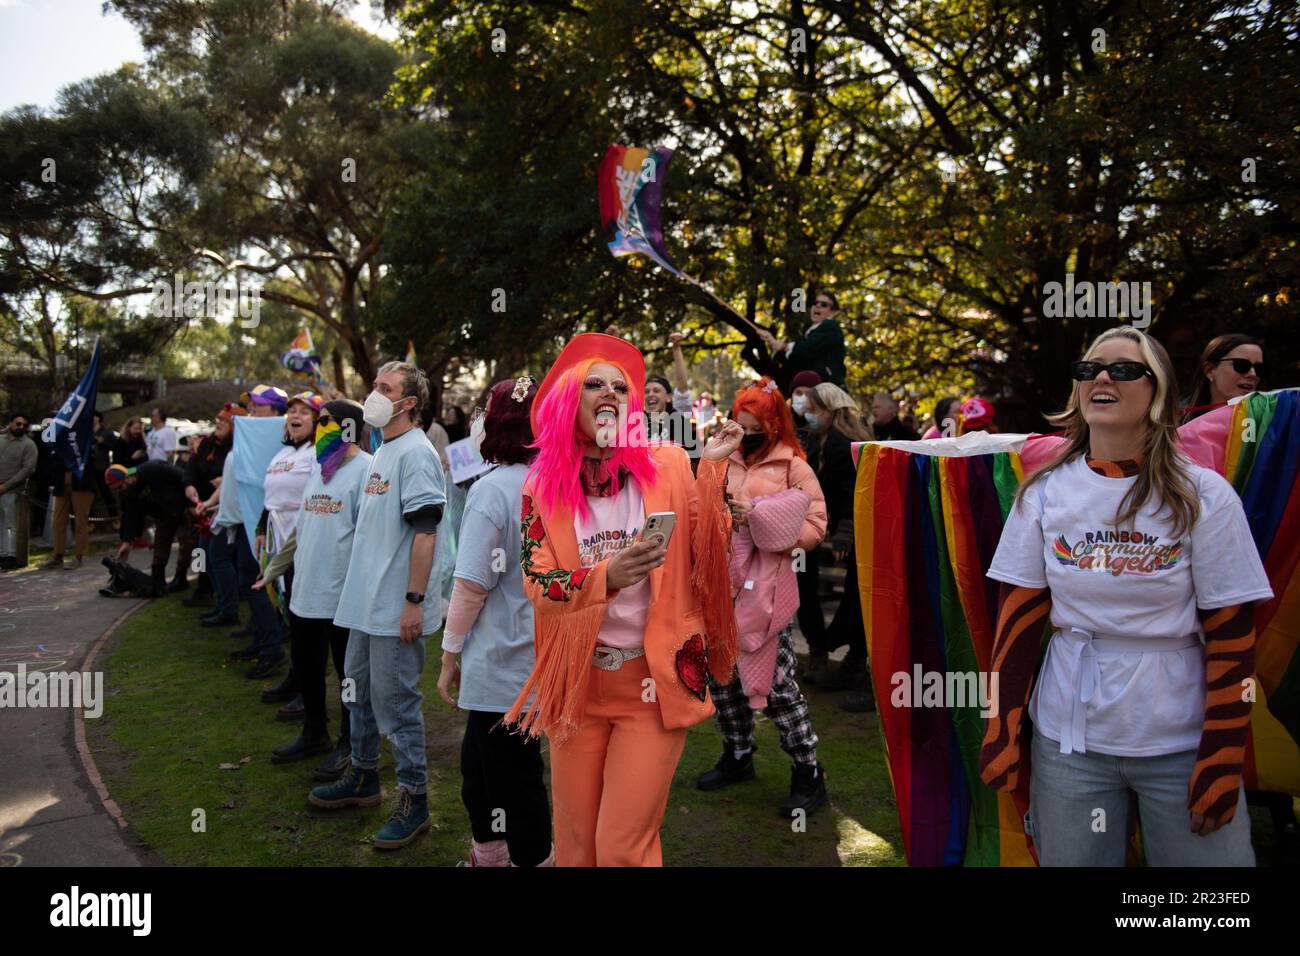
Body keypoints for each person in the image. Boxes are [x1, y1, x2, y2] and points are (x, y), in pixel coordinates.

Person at [978, 327, 1272, 866]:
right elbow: (1018, 618)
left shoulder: (1204, 495)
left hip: (1179, 743)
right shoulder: (1043, 492)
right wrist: (1002, 726)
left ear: (1157, 392)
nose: (1103, 378)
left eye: (1125, 369)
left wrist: (1222, 753)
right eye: (1090, 370)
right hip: (1069, 743)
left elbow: (1232, 630)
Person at [502, 332, 743, 867]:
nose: (609, 392)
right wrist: (603, 577)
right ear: (570, 400)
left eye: (620, 386)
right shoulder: (539, 487)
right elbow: (537, 582)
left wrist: (714, 473)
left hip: (651, 687)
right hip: (578, 686)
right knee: (575, 845)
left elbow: (707, 551)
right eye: (594, 384)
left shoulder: (670, 464)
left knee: (620, 850)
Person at [308, 361, 447, 851]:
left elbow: (426, 533)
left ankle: (415, 799)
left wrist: (413, 602)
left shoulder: (416, 454)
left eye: (385, 389)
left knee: (397, 705)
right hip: (363, 607)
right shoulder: (382, 450)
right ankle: (363, 776)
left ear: (408, 403)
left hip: (394, 610)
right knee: (356, 692)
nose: (374, 394)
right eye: (374, 386)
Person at [696, 377, 830, 816]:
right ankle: (737, 754)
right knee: (722, 678)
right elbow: (697, 506)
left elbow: (815, 522)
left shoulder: (793, 465)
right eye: (741, 424)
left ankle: (808, 772)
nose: (747, 433)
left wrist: (769, 528)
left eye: (755, 427)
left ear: (773, 425)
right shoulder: (723, 459)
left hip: (767, 589)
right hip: (721, 583)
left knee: (776, 683)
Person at [436, 376, 555, 867]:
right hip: (533, 652)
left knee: (513, 780)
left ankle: (533, 860)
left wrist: (448, 654)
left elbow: (471, 584)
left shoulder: (493, 490)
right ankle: (490, 855)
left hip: (502, 659)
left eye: (487, 408)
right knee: (481, 771)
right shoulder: (554, 483)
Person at [256, 399, 370, 775]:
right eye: (319, 422)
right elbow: (299, 531)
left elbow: (371, 540)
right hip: (305, 593)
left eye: (326, 421)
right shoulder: (320, 470)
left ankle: (351, 741)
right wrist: (274, 569)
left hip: (342, 597)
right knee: (306, 665)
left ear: (349, 427)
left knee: (347, 675)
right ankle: (314, 732)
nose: (320, 428)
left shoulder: (367, 472)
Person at [804, 383, 875, 711]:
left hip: (859, 529)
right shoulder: (841, 437)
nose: (810, 414)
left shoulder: (837, 442)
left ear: (829, 408)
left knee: (858, 600)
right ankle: (853, 661)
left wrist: (844, 533)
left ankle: (858, 666)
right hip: (859, 527)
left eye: (815, 409)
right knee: (855, 598)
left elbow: (851, 491)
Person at [244, 392, 320, 682]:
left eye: (304, 412)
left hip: (304, 543)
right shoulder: (283, 454)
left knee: (305, 618)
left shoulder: (316, 454)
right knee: (289, 609)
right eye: (292, 412)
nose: (295, 417)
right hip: (279, 542)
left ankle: (304, 681)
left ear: (317, 421)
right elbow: (270, 496)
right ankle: (295, 673)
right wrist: (262, 528)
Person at [225, 385, 290, 675]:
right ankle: (263, 639)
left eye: (258, 406)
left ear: (277, 411)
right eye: (250, 406)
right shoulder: (254, 433)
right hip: (249, 521)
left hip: (268, 525)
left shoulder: (282, 437)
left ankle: (272, 648)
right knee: (247, 581)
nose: (252, 412)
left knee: (258, 584)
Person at [105, 459, 196, 595]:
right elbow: (130, 515)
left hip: (186, 508)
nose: (119, 491)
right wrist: (127, 541)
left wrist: (192, 503)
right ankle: (157, 580)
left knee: (192, 545)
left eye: (119, 487)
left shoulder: (153, 469)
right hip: (165, 515)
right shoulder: (129, 493)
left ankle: (193, 579)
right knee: (160, 545)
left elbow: (184, 477)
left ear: (128, 477)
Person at [195, 403, 248, 628]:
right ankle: (223, 605)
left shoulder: (245, 451)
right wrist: (209, 503)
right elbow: (226, 483)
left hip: (235, 518)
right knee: (207, 558)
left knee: (219, 560)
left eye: (225, 420)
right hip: (223, 514)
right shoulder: (218, 446)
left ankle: (228, 609)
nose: (219, 423)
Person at [758, 289, 847, 390]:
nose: (817, 305)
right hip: (815, 390)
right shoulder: (811, 333)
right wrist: (772, 340)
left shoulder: (830, 326)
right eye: (815, 303)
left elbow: (807, 349)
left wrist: (784, 346)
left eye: (824, 304)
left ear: (833, 312)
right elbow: (797, 360)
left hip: (828, 389)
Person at [1183, 334, 1264, 421]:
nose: (1253, 374)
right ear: (1209, 370)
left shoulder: (1270, 425)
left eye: (1259, 368)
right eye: (1241, 365)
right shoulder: (1177, 423)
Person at [644, 332, 698, 454]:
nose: (650, 394)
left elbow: (682, 384)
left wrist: (676, 348)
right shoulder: (638, 422)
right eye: (646, 392)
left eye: (656, 390)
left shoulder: (678, 417)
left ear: (669, 398)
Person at [41, 450, 95, 570]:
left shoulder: (84, 438)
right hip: (61, 481)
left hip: (81, 482)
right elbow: (53, 459)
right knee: (58, 521)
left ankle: (79, 556)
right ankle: (58, 556)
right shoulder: (60, 437)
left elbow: (90, 458)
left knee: (81, 520)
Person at [0, 413, 37, 571]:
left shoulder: (29, 445)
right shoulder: (0, 440)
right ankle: (2, 555)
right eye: (18, 423)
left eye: (24, 425)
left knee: (10, 524)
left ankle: (11, 556)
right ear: (10, 424)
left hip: (11, 489)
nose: (21, 427)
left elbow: (28, 469)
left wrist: (6, 485)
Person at [90, 412, 117, 519]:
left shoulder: (107, 433)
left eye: (94, 416)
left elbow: (115, 447)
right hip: (89, 466)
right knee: (90, 493)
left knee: (105, 491)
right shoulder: (86, 431)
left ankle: (113, 516)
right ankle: (90, 519)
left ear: (98, 418)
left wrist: (103, 442)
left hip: (102, 466)